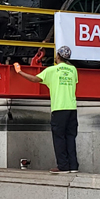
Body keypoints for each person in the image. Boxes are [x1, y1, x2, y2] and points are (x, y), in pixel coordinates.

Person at [14, 46, 79, 174]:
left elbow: (34, 79)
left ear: (58, 56)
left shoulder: (52, 70)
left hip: (59, 108)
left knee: (59, 138)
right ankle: (73, 166)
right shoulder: (73, 70)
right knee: (70, 137)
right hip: (72, 108)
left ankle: (63, 166)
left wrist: (19, 71)